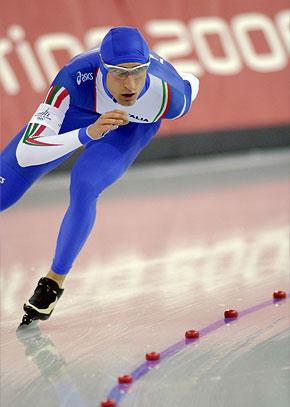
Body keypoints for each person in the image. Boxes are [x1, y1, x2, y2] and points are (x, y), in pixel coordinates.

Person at [0, 26, 199, 324]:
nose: (130, 84)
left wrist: (96, 133)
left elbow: (193, 82)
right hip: (80, 112)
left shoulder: (170, 96)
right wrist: (86, 133)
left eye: (138, 72)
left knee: (85, 184)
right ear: (103, 69)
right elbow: (27, 152)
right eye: (119, 73)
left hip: (130, 124)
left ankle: (53, 282)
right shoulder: (72, 79)